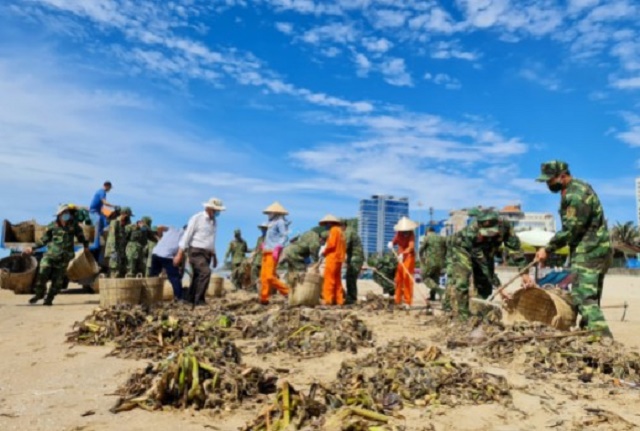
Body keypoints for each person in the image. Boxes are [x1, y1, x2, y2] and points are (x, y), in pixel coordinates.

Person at [534, 160, 613, 337]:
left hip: (589, 252)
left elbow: (571, 229)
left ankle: (605, 340)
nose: (548, 184)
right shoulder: (579, 188)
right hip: (597, 250)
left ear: (562, 176)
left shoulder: (575, 195)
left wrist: (548, 249)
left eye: (550, 180)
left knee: (583, 298)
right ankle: (589, 336)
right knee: (591, 299)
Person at [448, 208, 530, 319]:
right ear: (479, 226)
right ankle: (463, 317)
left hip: (487, 249)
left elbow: (514, 249)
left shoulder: (505, 226)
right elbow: (484, 266)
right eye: (486, 233)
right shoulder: (471, 233)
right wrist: (500, 288)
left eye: (492, 232)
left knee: (485, 284)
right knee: (462, 281)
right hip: (462, 248)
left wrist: (524, 273)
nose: (489, 235)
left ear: (498, 223)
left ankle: (482, 312)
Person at [25, 205, 89, 305]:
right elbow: (44, 240)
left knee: (58, 281)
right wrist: (32, 248)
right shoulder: (52, 226)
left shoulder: (74, 225)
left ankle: (49, 299)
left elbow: (81, 237)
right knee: (43, 271)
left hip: (64, 257)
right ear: (59, 215)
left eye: (67, 212)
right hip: (51, 255)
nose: (66, 215)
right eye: (64, 213)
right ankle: (39, 293)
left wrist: (86, 246)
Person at [174, 197, 226, 306]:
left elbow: (211, 240)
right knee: (205, 272)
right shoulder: (197, 218)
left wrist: (215, 256)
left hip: (207, 253)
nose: (217, 213)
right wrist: (180, 253)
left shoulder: (214, 222)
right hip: (195, 251)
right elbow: (187, 235)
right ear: (209, 208)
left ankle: (190, 299)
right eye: (216, 210)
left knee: (198, 276)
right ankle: (200, 300)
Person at [259, 201, 290, 305]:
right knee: (263, 277)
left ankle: (287, 291)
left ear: (276, 212)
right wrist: (264, 245)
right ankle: (264, 299)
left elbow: (284, 236)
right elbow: (271, 237)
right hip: (266, 251)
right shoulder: (270, 222)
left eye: (270, 212)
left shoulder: (280, 222)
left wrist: (278, 247)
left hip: (273, 251)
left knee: (269, 276)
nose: (269, 214)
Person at [150, 225, 185, 301]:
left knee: (153, 276)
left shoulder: (172, 229)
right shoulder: (185, 236)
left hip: (155, 252)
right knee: (175, 277)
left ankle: (149, 296)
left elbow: (159, 227)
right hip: (167, 255)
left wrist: (160, 238)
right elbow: (181, 250)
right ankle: (178, 297)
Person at [281, 228, 322, 293]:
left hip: (288, 251)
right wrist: (316, 261)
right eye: (322, 241)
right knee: (301, 273)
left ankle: (290, 292)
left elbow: (304, 249)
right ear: (320, 238)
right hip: (294, 254)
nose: (321, 243)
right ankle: (298, 292)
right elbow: (314, 247)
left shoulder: (307, 234)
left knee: (292, 273)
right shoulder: (315, 237)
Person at [389, 216, 418, 307]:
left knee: (407, 278)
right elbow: (395, 241)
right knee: (398, 278)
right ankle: (397, 299)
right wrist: (391, 243)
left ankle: (407, 301)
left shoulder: (411, 234)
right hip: (400, 258)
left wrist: (404, 254)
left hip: (409, 257)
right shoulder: (399, 233)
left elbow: (411, 247)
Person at [319, 214, 346, 306]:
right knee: (337, 280)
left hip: (332, 258)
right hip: (339, 258)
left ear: (330, 223)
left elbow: (331, 245)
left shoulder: (333, 231)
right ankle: (339, 300)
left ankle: (328, 299)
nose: (326, 226)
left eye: (326, 224)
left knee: (329, 279)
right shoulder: (340, 231)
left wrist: (324, 252)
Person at [419, 226, 447, 301]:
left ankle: (439, 290)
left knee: (424, 277)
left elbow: (421, 249)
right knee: (435, 279)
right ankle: (432, 296)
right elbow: (446, 249)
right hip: (441, 263)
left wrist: (421, 259)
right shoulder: (442, 238)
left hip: (431, 262)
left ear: (427, 232)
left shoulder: (427, 237)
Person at [88, 181, 115, 259]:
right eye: (110, 188)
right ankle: (96, 242)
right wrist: (113, 206)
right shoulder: (102, 192)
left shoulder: (102, 192)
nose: (110, 190)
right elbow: (104, 202)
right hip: (93, 212)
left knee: (106, 223)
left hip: (98, 212)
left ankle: (102, 237)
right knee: (98, 222)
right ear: (107, 186)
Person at [105, 207, 133, 278]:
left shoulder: (124, 225)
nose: (129, 219)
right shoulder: (115, 223)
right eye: (128, 216)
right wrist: (113, 251)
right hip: (114, 251)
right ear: (124, 215)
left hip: (121, 251)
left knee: (121, 270)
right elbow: (112, 238)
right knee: (114, 270)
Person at [344, 219, 364, 305]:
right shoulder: (350, 231)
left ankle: (351, 298)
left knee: (351, 277)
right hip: (354, 257)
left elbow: (345, 245)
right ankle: (351, 297)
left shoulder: (348, 231)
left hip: (355, 258)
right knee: (350, 277)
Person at [251, 223, 268, 290]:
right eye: (262, 229)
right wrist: (253, 256)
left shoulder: (269, 238)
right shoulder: (259, 238)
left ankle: (264, 288)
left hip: (265, 258)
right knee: (253, 271)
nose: (263, 230)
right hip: (258, 259)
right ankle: (254, 287)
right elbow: (257, 248)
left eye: (264, 229)